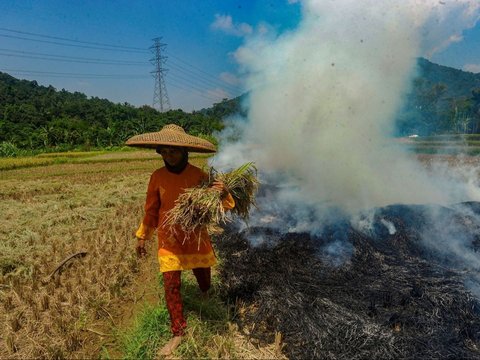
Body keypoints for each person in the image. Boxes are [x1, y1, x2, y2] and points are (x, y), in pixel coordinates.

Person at [126, 124, 235, 357]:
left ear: (185, 151)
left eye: (173, 151)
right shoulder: (157, 177)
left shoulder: (199, 176)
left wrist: (223, 192)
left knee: (202, 272)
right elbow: (151, 210)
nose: (169, 156)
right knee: (171, 283)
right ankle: (178, 332)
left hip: (194, 235)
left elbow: (222, 206)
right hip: (169, 238)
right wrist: (143, 236)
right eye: (164, 151)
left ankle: (206, 294)